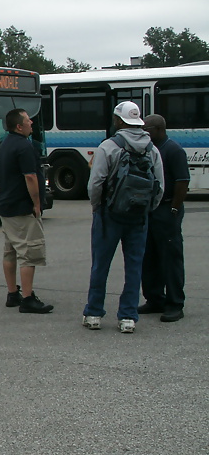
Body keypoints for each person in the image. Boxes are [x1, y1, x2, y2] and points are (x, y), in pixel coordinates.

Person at [82, 101, 164, 333]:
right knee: (134, 266)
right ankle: (128, 316)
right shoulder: (152, 149)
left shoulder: (109, 146)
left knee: (101, 264)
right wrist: (147, 209)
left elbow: (95, 183)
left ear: (118, 121)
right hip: (138, 216)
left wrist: (97, 206)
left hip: (110, 213)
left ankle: (94, 313)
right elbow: (159, 187)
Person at [0, 107, 53, 313]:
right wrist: (37, 204)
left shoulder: (5, 145)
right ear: (19, 126)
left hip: (7, 206)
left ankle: (13, 293)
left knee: (10, 250)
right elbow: (30, 176)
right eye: (28, 121)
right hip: (22, 208)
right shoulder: (24, 147)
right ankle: (28, 298)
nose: (31, 123)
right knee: (29, 252)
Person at [138, 114, 189, 322]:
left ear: (159, 129)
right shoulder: (148, 149)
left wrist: (174, 209)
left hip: (167, 208)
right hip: (149, 210)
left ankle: (175, 303)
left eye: (147, 129)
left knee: (170, 257)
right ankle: (154, 298)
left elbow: (182, 181)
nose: (144, 133)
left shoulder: (173, 149)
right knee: (149, 257)